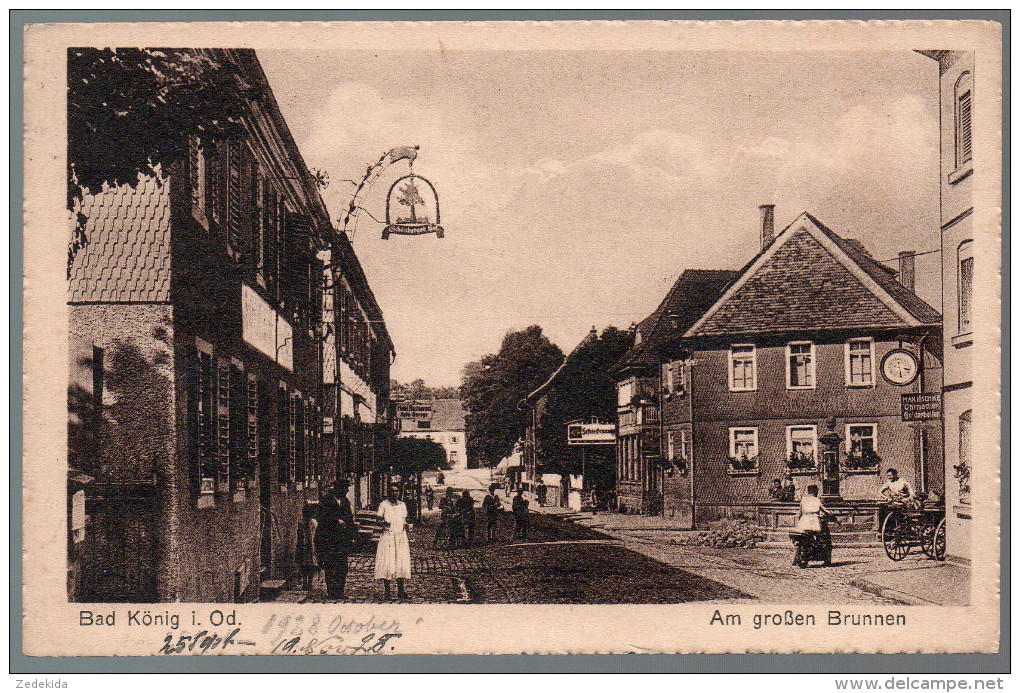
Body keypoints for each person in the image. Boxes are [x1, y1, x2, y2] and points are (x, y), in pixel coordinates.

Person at [313, 480, 355, 600]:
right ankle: (331, 592)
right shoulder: (326, 501)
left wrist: (352, 536)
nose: (347, 491)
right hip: (328, 539)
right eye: (345, 489)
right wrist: (336, 520)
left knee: (342, 566)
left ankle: (340, 591)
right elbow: (320, 517)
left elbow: (349, 519)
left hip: (341, 539)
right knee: (330, 566)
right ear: (338, 489)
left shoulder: (345, 502)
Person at [375, 484, 412, 602]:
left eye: (397, 491)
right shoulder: (384, 505)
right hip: (388, 537)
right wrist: (383, 523)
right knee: (388, 562)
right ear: (388, 493)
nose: (394, 493)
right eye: (392, 491)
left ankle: (401, 591)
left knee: (400, 561)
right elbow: (378, 518)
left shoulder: (402, 505)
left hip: (400, 537)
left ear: (399, 493)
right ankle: (387, 592)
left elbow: (403, 519)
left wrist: (406, 525)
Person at [791, 484, 839, 568]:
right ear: (815, 491)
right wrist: (832, 515)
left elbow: (800, 512)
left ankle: (796, 559)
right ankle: (823, 555)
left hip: (804, 521)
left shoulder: (803, 499)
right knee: (822, 538)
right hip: (814, 521)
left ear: (808, 491)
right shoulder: (817, 500)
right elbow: (824, 509)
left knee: (799, 539)